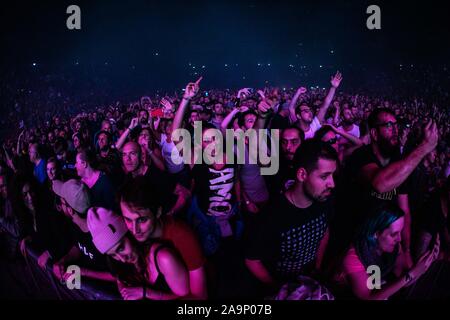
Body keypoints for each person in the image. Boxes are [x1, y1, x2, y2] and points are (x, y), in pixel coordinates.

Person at [245, 140, 338, 293]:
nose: (332, 184)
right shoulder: (271, 217)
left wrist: (317, 267)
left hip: (310, 281)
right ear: (302, 174)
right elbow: (252, 260)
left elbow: (324, 232)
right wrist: (279, 289)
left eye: (333, 175)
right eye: (324, 176)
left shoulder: (324, 200)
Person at [332, 203, 447, 300]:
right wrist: (411, 274)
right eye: (393, 234)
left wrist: (426, 264)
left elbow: (405, 279)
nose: (399, 239)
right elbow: (369, 298)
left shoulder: (394, 247)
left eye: (400, 232)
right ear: (376, 234)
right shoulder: (353, 257)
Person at [119, 176, 207, 299]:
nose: (134, 230)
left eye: (142, 220)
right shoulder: (127, 232)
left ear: (158, 212)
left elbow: (200, 298)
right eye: (128, 219)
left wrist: (147, 293)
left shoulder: (183, 236)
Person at [87, 207, 190, 300]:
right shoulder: (120, 265)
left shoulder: (163, 257)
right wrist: (125, 291)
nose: (122, 259)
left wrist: (147, 293)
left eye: (121, 248)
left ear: (129, 234)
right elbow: (119, 279)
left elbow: (189, 301)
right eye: (113, 255)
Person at [51, 179, 115, 282]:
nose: (60, 204)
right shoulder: (76, 224)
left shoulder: (104, 234)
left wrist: (84, 272)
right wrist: (63, 260)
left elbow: (120, 276)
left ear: (70, 210)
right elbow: (80, 247)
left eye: (62, 201)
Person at [121, 141, 190, 216]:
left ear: (141, 156)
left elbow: (185, 193)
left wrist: (171, 214)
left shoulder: (156, 175)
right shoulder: (129, 177)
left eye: (132, 153)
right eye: (124, 154)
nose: (127, 159)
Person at [288, 72, 343, 139]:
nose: (310, 112)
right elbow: (291, 108)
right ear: (298, 116)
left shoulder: (314, 125)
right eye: (306, 111)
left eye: (310, 110)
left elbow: (324, 106)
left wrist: (333, 88)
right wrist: (298, 92)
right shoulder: (295, 129)